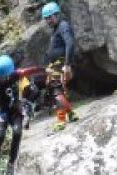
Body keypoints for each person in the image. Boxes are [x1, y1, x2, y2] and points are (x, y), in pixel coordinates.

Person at [42, 2, 79, 131]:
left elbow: (70, 44)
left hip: (62, 64)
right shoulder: (56, 28)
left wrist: (67, 65)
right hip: (56, 65)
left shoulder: (63, 26)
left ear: (57, 14)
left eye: (50, 17)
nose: (48, 21)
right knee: (58, 90)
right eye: (46, 18)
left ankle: (61, 120)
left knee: (56, 92)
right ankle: (70, 113)